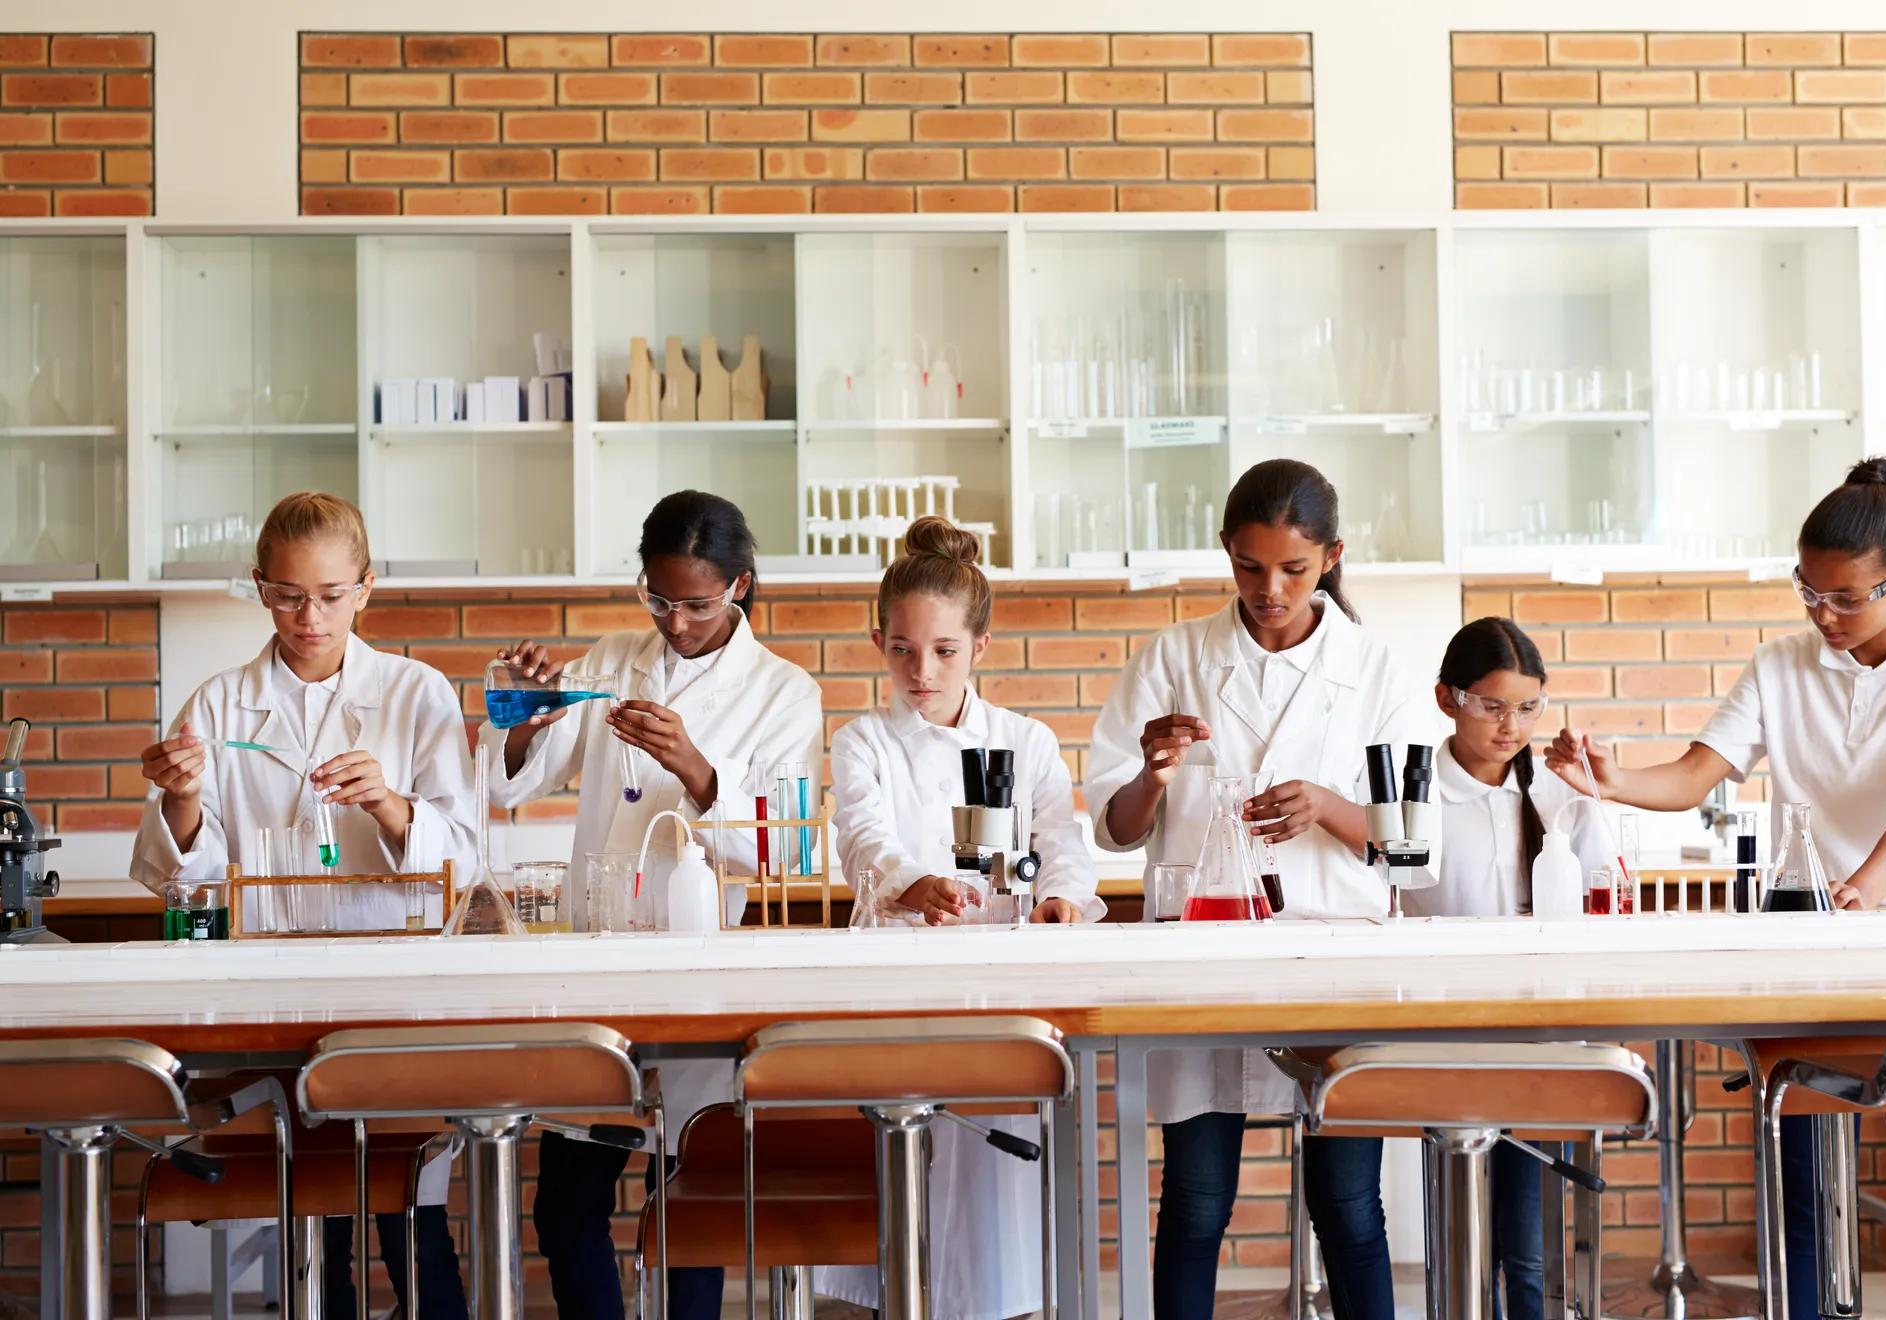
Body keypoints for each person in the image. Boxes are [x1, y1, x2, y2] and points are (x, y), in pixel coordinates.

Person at [1546, 456, 1886, 1320]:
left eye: (1844, 597)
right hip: (1818, 940)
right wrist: (1610, 778)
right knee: (1795, 1169)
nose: (1822, 614)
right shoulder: (1781, 664)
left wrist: (1861, 889)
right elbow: (1692, 777)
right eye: (1808, 592)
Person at [1083, 458, 1436, 1320]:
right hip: (1205, 958)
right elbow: (1114, 827)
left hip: (1334, 959)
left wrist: (1326, 807)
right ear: (1225, 554)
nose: (1268, 588)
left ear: (1332, 558)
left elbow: (1413, 845)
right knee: (1198, 1200)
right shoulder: (1175, 656)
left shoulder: (1375, 669)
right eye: (1248, 566)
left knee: (1348, 1205)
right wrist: (1155, 772)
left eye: (1293, 569)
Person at [130, 490, 474, 1320]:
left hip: (395, 991)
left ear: (366, 588)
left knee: (409, 1208)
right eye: (287, 595)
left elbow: (467, 858)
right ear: (258, 585)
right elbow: (185, 878)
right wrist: (179, 799)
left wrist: (390, 804)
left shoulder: (416, 693)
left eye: (329, 595)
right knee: (315, 1216)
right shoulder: (216, 705)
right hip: (274, 990)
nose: (308, 617)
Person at [482, 490, 821, 1320]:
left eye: (695, 604)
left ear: (739, 586)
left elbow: (794, 850)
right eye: (658, 598)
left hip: (701, 973)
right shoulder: (609, 660)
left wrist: (699, 770)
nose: (674, 621)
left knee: (688, 1207)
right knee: (566, 1206)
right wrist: (526, 711)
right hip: (597, 958)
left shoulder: (784, 691)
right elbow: (516, 778)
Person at [824, 514, 1101, 1315]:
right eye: (904, 650)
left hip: (1004, 990)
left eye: (943, 650)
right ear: (879, 641)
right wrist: (912, 884)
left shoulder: (1026, 740)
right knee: (907, 1188)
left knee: (993, 1195)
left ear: (980, 646)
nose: (922, 670)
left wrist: (1061, 899)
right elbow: (863, 838)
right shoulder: (864, 741)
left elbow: (1064, 844)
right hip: (896, 989)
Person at [1407, 616, 1615, 1317]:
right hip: (1444, 1028)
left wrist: (1592, 791)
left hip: (1537, 1026)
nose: (1510, 726)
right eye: (1491, 706)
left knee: (1525, 1234)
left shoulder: (1556, 791)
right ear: (1448, 699)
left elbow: (1605, 888)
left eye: (1528, 708)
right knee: (1457, 1217)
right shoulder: (1416, 792)